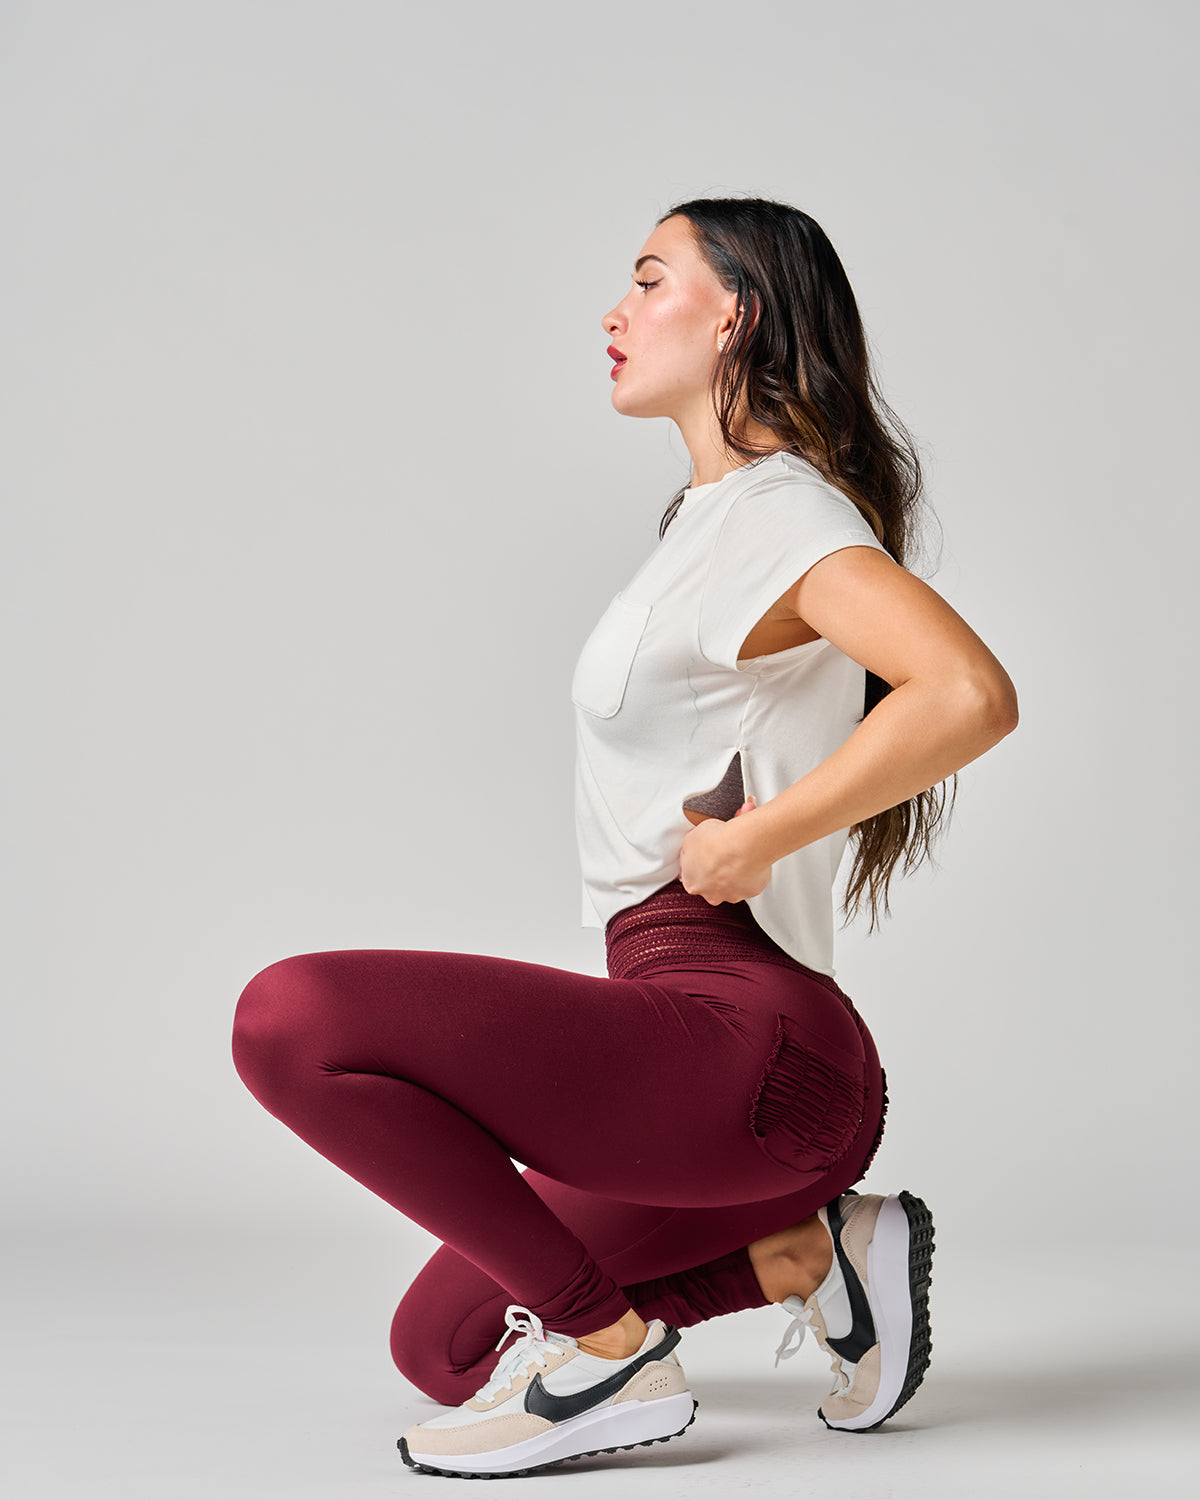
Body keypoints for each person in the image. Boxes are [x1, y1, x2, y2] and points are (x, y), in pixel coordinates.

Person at [231, 195, 1019, 1480]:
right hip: (715, 1089)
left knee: (291, 1018)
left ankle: (611, 1360)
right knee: (448, 1342)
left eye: (651, 281)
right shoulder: (708, 528)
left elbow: (970, 693)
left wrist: (764, 835)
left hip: (741, 1045)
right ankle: (808, 1251)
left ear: (735, 318)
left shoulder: (783, 514)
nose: (614, 311)